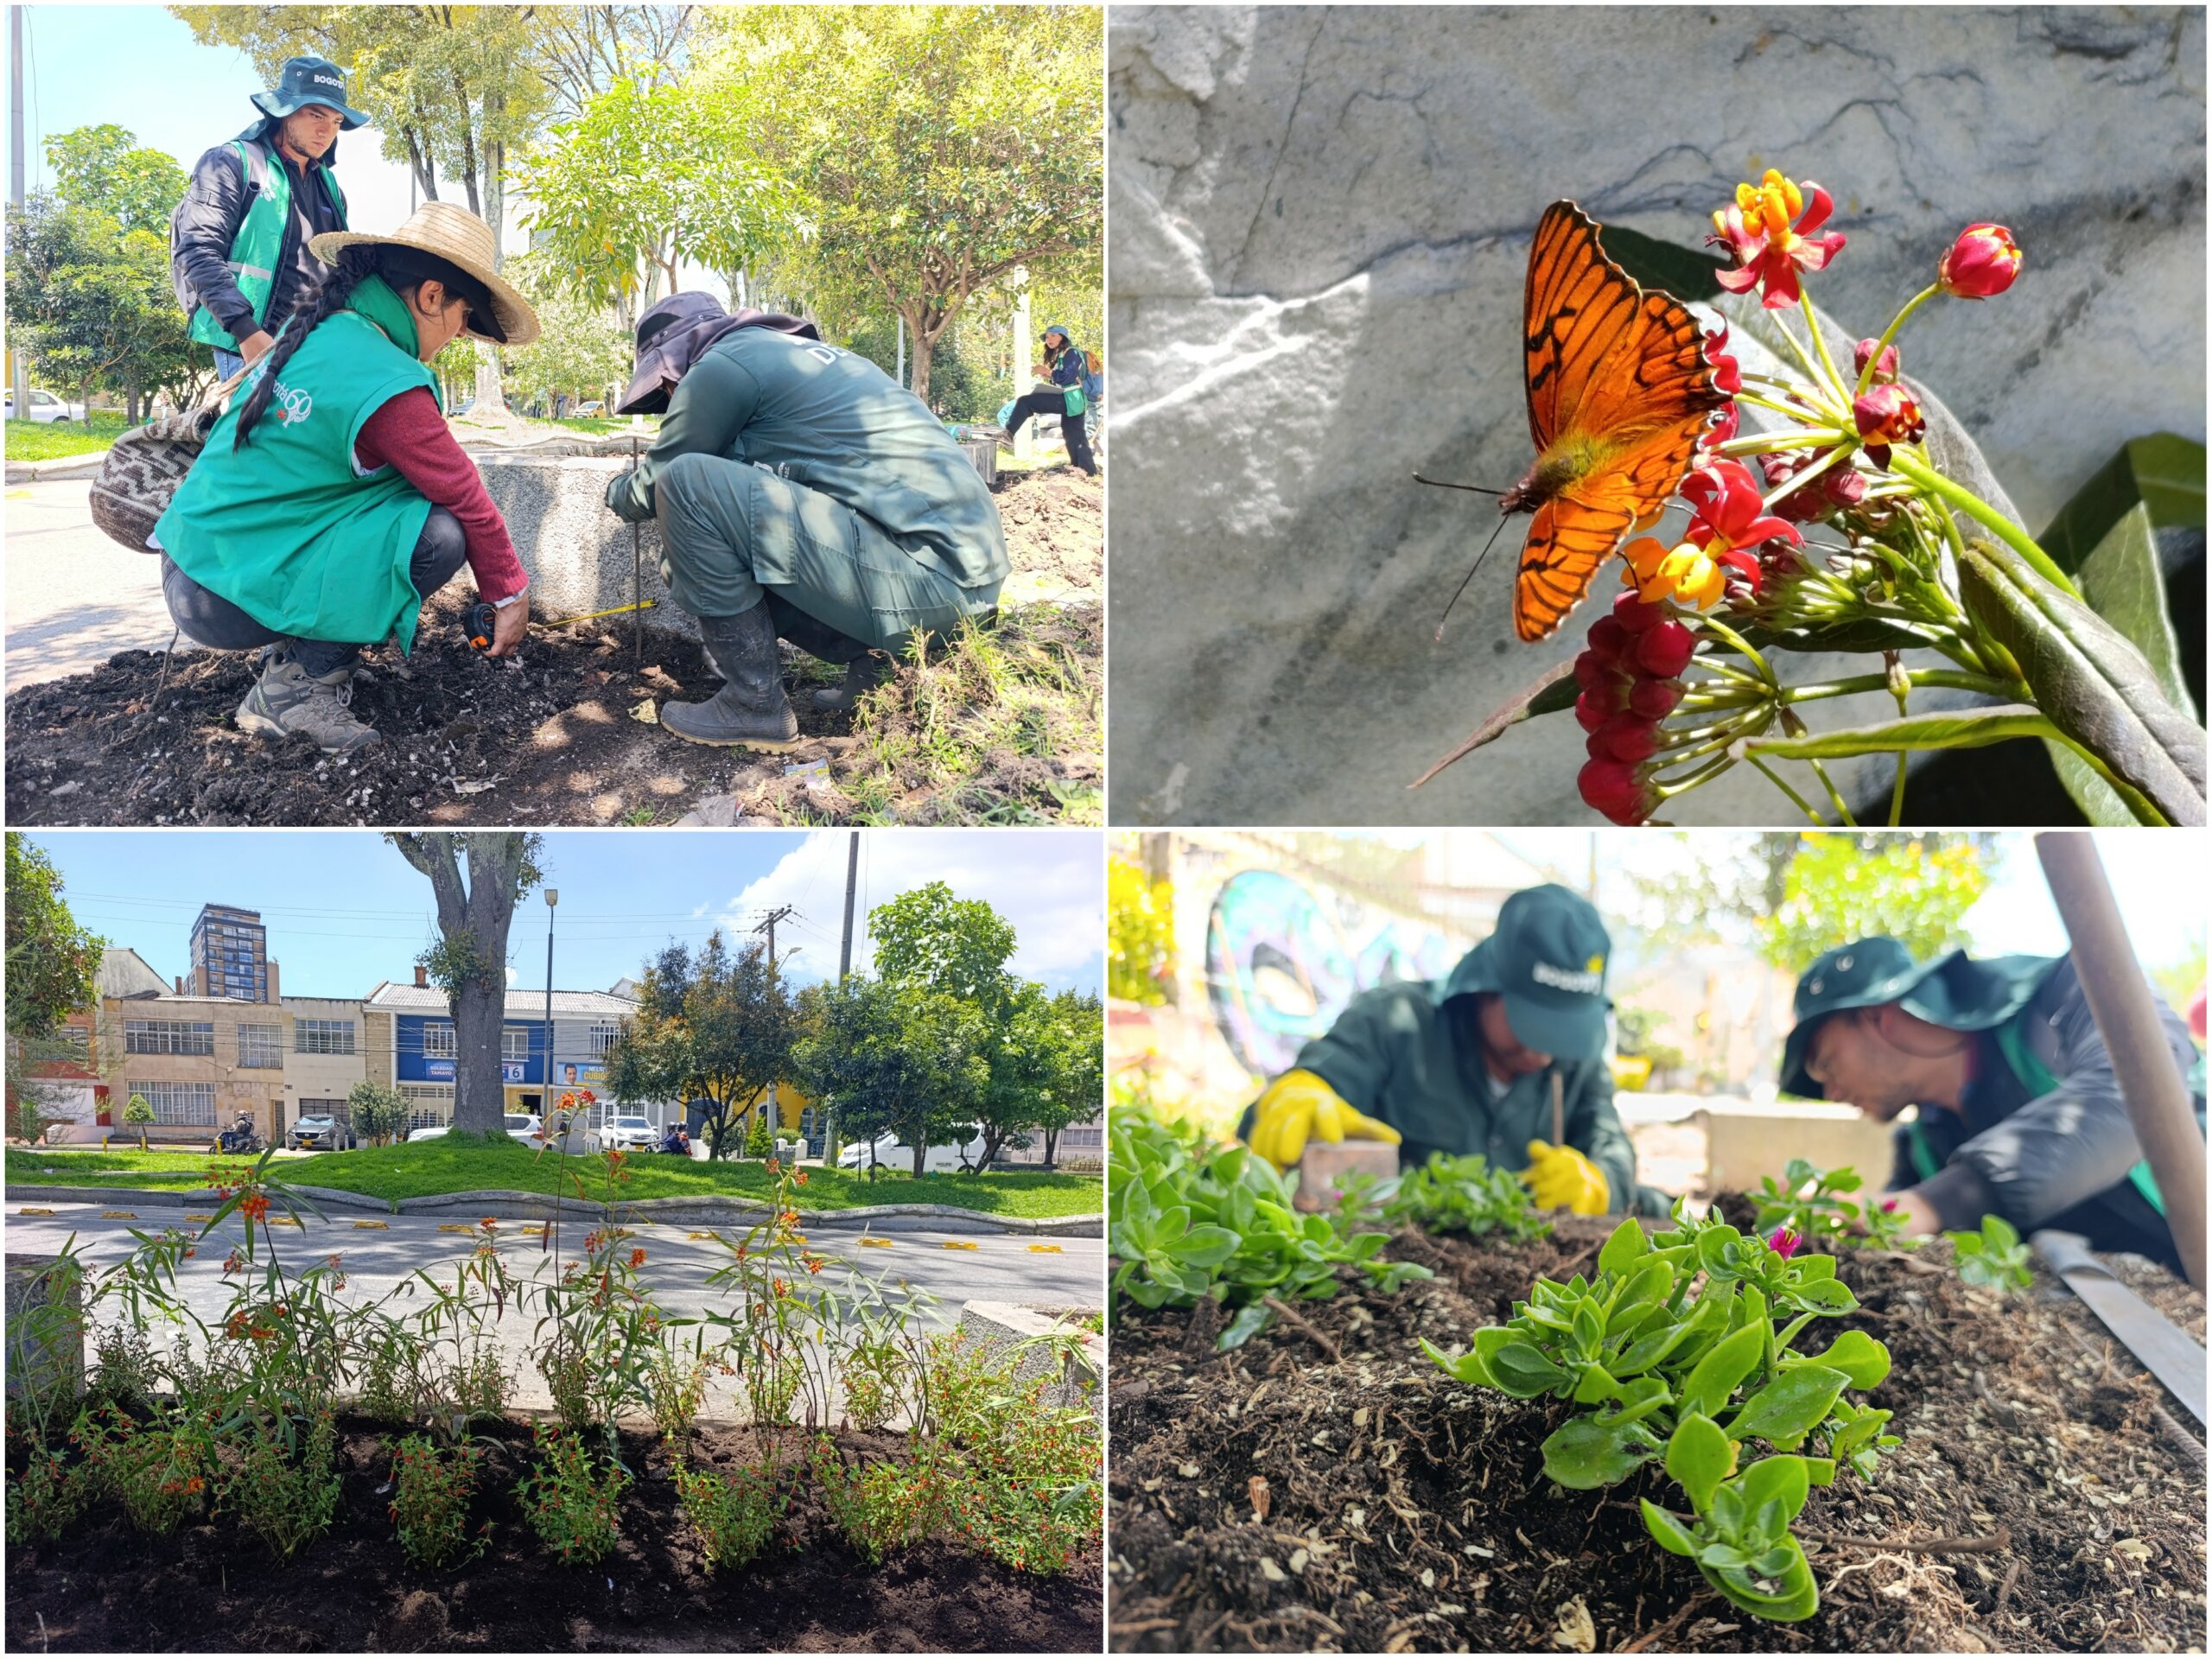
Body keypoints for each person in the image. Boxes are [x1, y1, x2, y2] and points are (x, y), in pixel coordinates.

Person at [153, 201, 541, 755]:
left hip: (194, 563)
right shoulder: (386, 379)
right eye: (462, 321)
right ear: (432, 296)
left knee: (393, 495)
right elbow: (467, 497)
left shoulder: (321, 329)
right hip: (220, 599)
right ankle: (294, 693)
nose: (457, 337)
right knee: (439, 534)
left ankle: (293, 656)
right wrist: (509, 592)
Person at [603, 292, 1010, 748]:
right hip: (966, 590)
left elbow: (657, 480)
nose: (671, 401)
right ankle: (875, 668)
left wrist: (615, 490)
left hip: (930, 585)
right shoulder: (789, 355)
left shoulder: (720, 367)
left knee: (687, 485)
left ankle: (752, 703)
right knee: (744, 522)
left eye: (665, 390)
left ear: (675, 361)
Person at [1781, 938, 2204, 1268]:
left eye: (1824, 1064)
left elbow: (2142, 1091)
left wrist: (1938, 1203)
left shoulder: (2064, 998)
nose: (1831, 1093)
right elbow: (1899, 1219)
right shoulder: (1925, 1146)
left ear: (1878, 1016)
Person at [1237, 884, 1642, 1216]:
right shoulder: (1395, 1021)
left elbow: (1612, 1145)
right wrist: (1296, 1094)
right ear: (1486, 987)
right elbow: (1320, 1081)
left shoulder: (1578, 1063)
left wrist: (1602, 1182)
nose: (1544, 1053)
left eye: (1562, 1031)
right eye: (1531, 1024)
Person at [172, 55, 366, 382]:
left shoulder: (331, 188)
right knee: (254, 433)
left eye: (336, 121)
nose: (326, 130)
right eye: (315, 114)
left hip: (313, 348)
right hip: (251, 343)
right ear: (284, 110)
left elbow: (337, 271)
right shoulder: (232, 163)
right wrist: (246, 333)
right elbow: (197, 251)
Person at [1001, 324, 1099, 477]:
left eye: (1053, 335)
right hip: (1074, 400)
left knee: (1026, 402)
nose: (1049, 339)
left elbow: (1067, 377)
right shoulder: (1063, 354)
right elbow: (1065, 378)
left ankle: (1008, 434)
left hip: (1071, 399)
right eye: (1047, 337)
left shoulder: (1072, 352)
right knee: (1074, 435)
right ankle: (1087, 470)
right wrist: (1050, 376)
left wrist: (1046, 371)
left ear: (1063, 338)